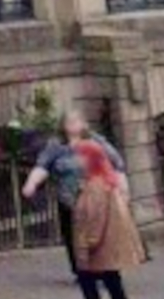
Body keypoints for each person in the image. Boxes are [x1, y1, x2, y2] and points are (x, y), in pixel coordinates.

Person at [21, 110, 127, 278]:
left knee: (99, 234)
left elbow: (116, 163)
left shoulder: (96, 141)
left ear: (84, 123)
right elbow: (42, 166)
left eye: (76, 121)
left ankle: (105, 268)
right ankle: (83, 271)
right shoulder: (56, 146)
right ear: (63, 126)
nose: (73, 125)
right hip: (69, 200)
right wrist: (31, 183)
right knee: (73, 237)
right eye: (69, 122)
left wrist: (122, 188)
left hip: (96, 199)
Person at [69, 139, 144, 299]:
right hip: (111, 244)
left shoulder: (95, 186)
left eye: (80, 157)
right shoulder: (107, 181)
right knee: (113, 283)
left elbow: (93, 219)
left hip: (99, 246)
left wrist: (86, 246)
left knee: (91, 281)